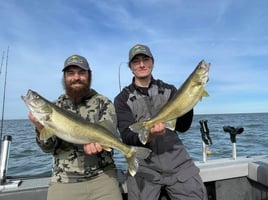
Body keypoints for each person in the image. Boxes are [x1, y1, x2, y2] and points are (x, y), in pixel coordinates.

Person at [114, 44, 208, 200]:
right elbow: (127, 136)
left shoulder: (170, 90)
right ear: (130, 67)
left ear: (153, 62)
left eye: (146, 59)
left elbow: (183, 127)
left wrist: (190, 98)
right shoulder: (122, 99)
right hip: (145, 168)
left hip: (178, 163)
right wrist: (149, 135)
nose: (142, 64)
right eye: (136, 61)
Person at [28, 54, 123, 200]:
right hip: (64, 181)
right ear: (64, 78)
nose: (76, 77)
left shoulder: (104, 103)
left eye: (81, 73)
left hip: (103, 178)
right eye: (70, 73)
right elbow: (49, 148)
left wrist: (100, 142)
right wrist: (40, 128)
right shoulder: (56, 105)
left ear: (89, 76)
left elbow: (109, 131)